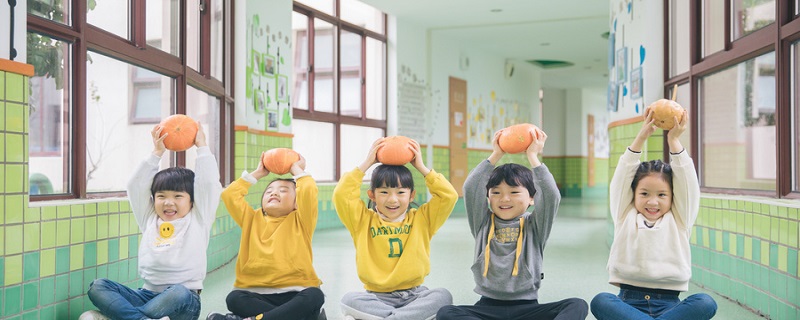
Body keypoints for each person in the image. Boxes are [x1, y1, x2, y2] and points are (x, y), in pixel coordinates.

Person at [437, 127, 588, 320]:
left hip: (528, 309)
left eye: (514, 192)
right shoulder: (482, 223)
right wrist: (496, 153)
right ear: (488, 197)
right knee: (446, 313)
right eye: (496, 192)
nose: (504, 199)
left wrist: (533, 156)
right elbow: (471, 187)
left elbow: (551, 195)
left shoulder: (536, 226)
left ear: (532, 198)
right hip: (487, 308)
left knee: (577, 305)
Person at [81, 123, 222, 320]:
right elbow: (135, 185)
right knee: (98, 286)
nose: (168, 202)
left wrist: (203, 147)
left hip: (184, 302)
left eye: (178, 196)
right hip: (146, 296)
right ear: (154, 198)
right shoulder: (149, 217)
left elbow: (208, 184)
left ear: (192, 201)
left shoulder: (199, 218)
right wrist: (156, 153)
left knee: (179, 291)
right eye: (161, 196)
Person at [590, 109, 717, 319]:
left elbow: (687, 182)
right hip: (628, 305)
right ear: (633, 194)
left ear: (672, 197)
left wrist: (674, 140)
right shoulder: (624, 214)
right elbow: (622, 176)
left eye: (661, 195)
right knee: (601, 301)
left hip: (670, 307)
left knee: (705, 302)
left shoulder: (680, 219)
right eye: (644, 193)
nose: (652, 201)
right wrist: (641, 137)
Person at [332, 137, 458, 320]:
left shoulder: (422, 219)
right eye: (384, 192)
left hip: (415, 295)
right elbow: (341, 195)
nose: (393, 200)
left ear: (411, 195)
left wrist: (421, 167)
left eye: (400, 192)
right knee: (349, 299)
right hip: (376, 297)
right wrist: (367, 163)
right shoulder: (361, 220)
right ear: (372, 195)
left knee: (443, 296)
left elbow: (449, 196)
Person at [206, 152, 325, 320]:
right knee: (234, 299)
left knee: (314, 296)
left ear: (296, 203)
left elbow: (308, 190)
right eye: (269, 191)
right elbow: (229, 195)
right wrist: (258, 173)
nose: (274, 193)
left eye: (283, 191)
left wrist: (296, 169)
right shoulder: (251, 219)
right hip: (257, 293)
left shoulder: (302, 220)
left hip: (296, 292)